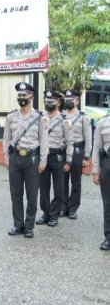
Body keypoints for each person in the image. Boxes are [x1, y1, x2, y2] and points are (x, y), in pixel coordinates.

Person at [2, 82, 49, 238]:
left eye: (24, 95)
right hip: (15, 158)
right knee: (15, 193)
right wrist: (6, 158)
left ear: (31, 97)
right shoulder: (11, 117)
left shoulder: (40, 118)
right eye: (19, 95)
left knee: (32, 194)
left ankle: (29, 227)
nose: (21, 98)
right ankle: (18, 225)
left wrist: (43, 161)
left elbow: (44, 140)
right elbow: (6, 139)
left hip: (32, 159)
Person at [36, 90, 72, 228]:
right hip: (44, 157)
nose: (48, 103)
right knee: (43, 187)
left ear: (57, 102)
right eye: (46, 101)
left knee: (59, 188)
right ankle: (45, 213)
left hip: (58, 157)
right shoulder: (40, 118)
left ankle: (54, 214)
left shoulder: (64, 120)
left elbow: (70, 141)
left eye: (51, 101)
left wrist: (68, 161)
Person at [61, 89, 92, 219]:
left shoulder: (83, 118)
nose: (68, 101)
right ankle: (63, 207)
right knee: (62, 181)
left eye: (71, 99)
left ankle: (73, 208)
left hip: (77, 152)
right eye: (66, 99)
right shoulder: (61, 116)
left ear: (77, 101)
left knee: (76, 182)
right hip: (63, 151)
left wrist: (86, 157)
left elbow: (88, 137)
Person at [91, 113, 110, 251]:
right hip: (107, 165)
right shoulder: (103, 122)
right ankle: (109, 237)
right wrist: (96, 171)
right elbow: (97, 147)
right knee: (108, 204)